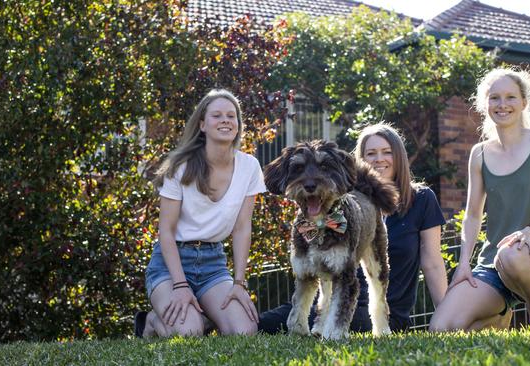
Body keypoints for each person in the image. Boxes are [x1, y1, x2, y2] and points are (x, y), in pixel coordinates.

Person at [258, 123, 447, 333]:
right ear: (360, 160)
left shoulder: (421, 199)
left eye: (387, 152)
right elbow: (310, 277)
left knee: (296, 320)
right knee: (268, 322)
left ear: (399, 156)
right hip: (329, 301)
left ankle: (344, 325)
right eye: (371, 153)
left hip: (381, 312)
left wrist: (446, 314)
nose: (379, 159)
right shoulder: (336, 201)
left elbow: (432, 262)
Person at [429, 67, 530, 331]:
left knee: (512, 253)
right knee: (442, 327)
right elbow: (473, 215)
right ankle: (498, 317)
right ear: (485, 104)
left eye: (510, 97)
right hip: (493, 265)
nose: (502, 104)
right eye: (494, 97)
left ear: (524, 102)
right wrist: (464, 264)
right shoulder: (480, 154)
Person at [134, 89, 266, 338]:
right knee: (189, 333)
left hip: (212, 263)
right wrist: (180, 285)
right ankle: (151, 321)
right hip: (170, 264)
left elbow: (241, 229)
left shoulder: (250, 167)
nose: (225, 120)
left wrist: (239, 283)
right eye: (217, 115)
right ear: (203, 124)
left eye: (231, 115)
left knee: (244, 331)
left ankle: (205, 317)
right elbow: (166, 232)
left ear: (238, 125)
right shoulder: (180, 167)